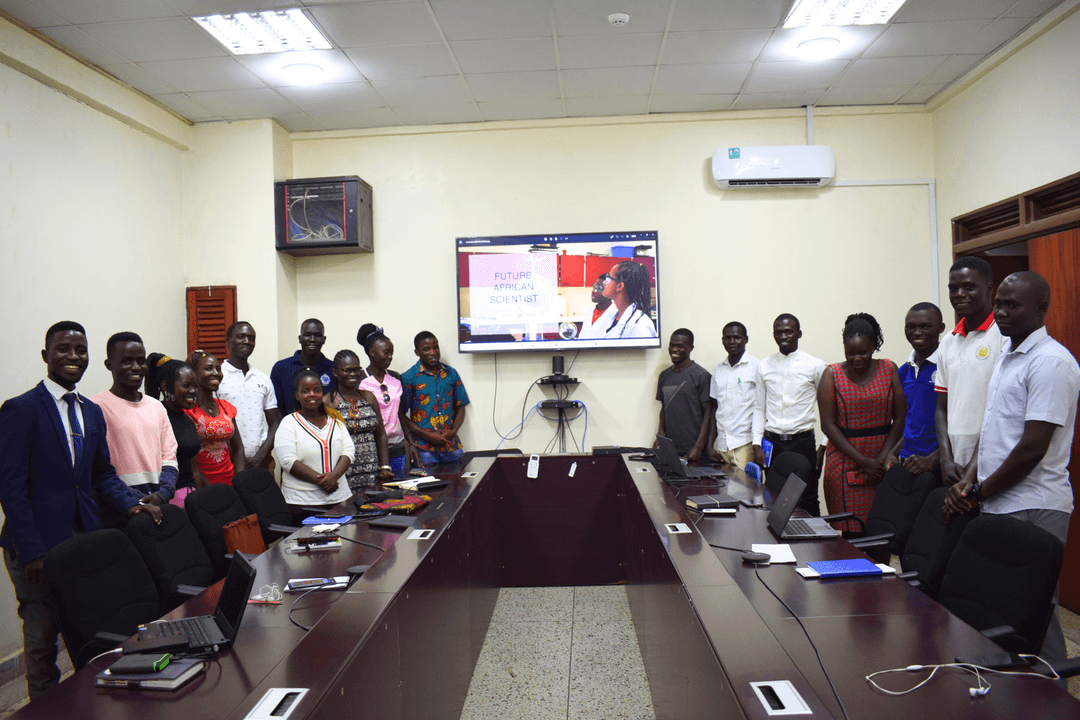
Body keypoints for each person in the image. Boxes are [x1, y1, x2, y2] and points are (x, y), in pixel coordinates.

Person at [0, 322, 161, 700]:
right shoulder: (20, 409)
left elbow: (102, 475)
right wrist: (33, 551)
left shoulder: (90, 411)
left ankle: (83, 701)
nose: (73, 357)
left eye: (80, 350)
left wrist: (131, 505)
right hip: (34, 543)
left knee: (83, 625)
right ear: (46, 356)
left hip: (82, 536)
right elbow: (10, 489)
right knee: (42, 636)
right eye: (63, 349)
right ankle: (42, 706)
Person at [944, 271, 1080, 662]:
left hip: (1035, 503)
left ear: (1041, 307)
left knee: (1034, 610)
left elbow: (1031, 449)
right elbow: (993, 432)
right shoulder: (1008, 354)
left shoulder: (1052, 363)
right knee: (1003, 606)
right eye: (999, 302)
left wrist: (977, 492)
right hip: (1001, 500)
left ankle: (1051, 693)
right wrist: (971, 481)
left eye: (1012, 304)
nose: (1001, 311)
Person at [818, 314, 906, 534]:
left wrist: (881, 459)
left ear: (874, 347)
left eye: (863, 353)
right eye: (851, 353)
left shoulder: (889, 368)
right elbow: (828, 426)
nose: (857, 358)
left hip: (883, 459)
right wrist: (864, 462)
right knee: (851, 533)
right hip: (845, 461)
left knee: (882, 529)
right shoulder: (832, 374)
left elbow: (901, 418)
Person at [90, 332, 177, 527]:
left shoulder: (157, 407)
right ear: (109, 364)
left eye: (140, 361)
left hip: (158, 506)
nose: (136, 367)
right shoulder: (95, 407)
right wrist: (134, 501)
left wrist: (163, 493)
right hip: (117, 511)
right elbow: (98, 470)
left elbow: (170, 459)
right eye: (126, 361)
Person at [934, 257, 1004, 486]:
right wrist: (945, 459)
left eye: (968, 287)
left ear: (990, 290)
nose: (959, 294)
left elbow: (1002, 412)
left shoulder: (1005, 337)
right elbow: (942, 407)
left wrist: (972, 471)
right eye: (953, 288)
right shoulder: (947, 342)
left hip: (994, 465)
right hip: (954, 467)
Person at [753, 314, 827, 516]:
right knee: (774, 496)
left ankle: (815, 546)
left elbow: (829, 410)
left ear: (799, 333)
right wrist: (756, 444)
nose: (783, 336)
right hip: (771, 443)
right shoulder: (764, 366)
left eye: (788, 331)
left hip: (802, 443)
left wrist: (823, 446)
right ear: (774, 335)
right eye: (779, 332)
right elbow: (759, 408)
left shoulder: (815, 365)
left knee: (808, 496)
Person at [274, 367, 355, 514]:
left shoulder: (335, 420)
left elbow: (348, 451)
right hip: (303, 503)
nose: (312, 394)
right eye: (305, 391)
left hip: (341, 499)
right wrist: (324, 482)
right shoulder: (288, 423)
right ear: (297, 396)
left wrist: (334, 476)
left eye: (316, 390)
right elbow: (288, 461)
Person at [885, 303, 946, 481]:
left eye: (926, 326)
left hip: (940, 465)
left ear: (941, 328)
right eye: (911, 327)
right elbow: (911, 422)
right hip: (908, 463)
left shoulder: (948, 365)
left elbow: (960, 422)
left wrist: (933, 459)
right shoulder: (903, 371)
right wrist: (892, 452)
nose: (917, 332)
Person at [326, 349, 395, 491]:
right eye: (347, 370)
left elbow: (381, 434)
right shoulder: (328, 402)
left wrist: (385, 467)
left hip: (372, 471)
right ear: (335, 372)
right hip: (343, 473)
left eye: (356, 370)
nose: (353, 374)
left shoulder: (368, 397)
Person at [145, 353, 207, 508]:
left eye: (195, 386)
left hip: (190, 497)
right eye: (186, 386)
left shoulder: (187, 419)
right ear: (165, 386)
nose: (193, 391)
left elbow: (194, 470)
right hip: (167, 499)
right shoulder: (155, 418)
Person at [356, 323, 418, 476]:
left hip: (397, 448)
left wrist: (411, 443)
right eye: (386, 352)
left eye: (392, 353)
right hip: (371, 450)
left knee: (400, 492)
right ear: (372, 352)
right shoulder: (359, 380)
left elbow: (401, 414)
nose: (390, 356)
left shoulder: (396, 377)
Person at [216, 321, 279, 469]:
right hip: (226, 462)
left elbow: (274, 423)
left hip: (262, 462)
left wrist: (260, 456)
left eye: (251, 338)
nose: (247, 341)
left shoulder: (263, 379)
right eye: (241, 337)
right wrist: (236, 457)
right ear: (228, 341)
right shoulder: (216, 376)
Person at [402, 331, 471, 466]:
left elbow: (461, 406)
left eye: (435, 347)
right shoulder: (408, 377)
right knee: (429, 487)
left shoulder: (451, 373)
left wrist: (453, 431)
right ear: (417, 352)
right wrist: (427, 435)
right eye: (426, 349)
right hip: (423, 449)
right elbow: (401, 415)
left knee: (461, 485)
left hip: (452, 447)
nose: (433, 352)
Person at [184, 350, 245, 485]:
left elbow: (238, 449)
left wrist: (240, 482)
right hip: (201, 485)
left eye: (218, 369)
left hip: (230, 481)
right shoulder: (187, 411)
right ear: (193, 373)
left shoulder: (226, 407)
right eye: (208, 368)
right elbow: (187, 459)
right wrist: (209, 489)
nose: (216, 373)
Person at [707, 321, 760, 469]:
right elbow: (714, 409)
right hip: (722, 447)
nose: (732, 342)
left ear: (746, 339)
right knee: (724, 491)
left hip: (745, 445)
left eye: (737, 337)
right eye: (727, 338)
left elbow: (763, 408)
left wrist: (758, 445)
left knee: (746, 491)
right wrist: (710, 445)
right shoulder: (718, 370)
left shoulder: (757, 367)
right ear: (722, 340)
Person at [655, 329, 711, 460]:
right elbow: (664, 409)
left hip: (693, 451)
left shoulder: (701, 375)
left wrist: (698, 447)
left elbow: (709, 414)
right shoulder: (664, 375)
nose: (674, 349)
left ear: (690, 348)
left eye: (680, 346)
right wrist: (660, 436)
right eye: (672, 345)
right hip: (669, 448)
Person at [271, 319, 335, 416]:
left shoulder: (333, 369)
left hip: (326, 428)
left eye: (317, 335)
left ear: (324, 339)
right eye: (307, 335)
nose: (312, 339)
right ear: (300, 338)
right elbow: (276, 408)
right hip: (290, 429)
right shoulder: (281, 368)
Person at [584, 261, 657, 339]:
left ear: (619, 286)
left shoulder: (640, 325)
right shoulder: (610, 317)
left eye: (609, 278)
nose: (604, 282)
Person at [578, 273, 612, 338]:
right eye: (595, 286)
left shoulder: (616, 315)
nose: (593, 291)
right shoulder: (589, 312)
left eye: (599, 289)